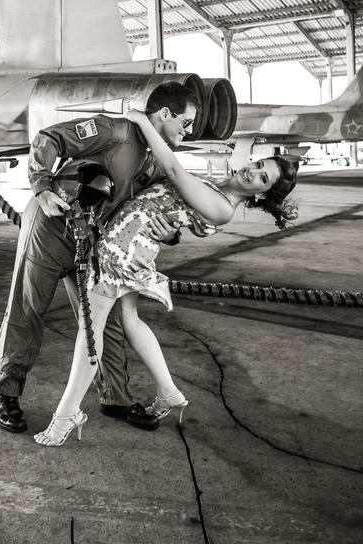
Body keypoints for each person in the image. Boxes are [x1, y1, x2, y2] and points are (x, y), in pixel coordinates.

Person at [34, 108, 299, 446]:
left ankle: (66, 414)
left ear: (262, 195)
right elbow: (172, 209)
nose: (253, 172)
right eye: (259, 165)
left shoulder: (223, 206)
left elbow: (172, 169)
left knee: (90, 330)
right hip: (132, 244)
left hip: (124, 249)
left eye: (263, 179)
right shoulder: (216, 187)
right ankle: (168, 392)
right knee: (129, 319)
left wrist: (143, 121)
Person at [0, 82, 201, 434]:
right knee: (28, 309)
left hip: (94, 244)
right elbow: (48, 138)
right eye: (187, 121)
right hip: (52, 227)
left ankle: (115, 397)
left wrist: (171, 233)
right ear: (165, 114)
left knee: (107, 321)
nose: (189, 130)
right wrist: (42, 187)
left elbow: (158, 214)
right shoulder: (115, 131)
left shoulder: (158, 164)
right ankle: (5, 392)